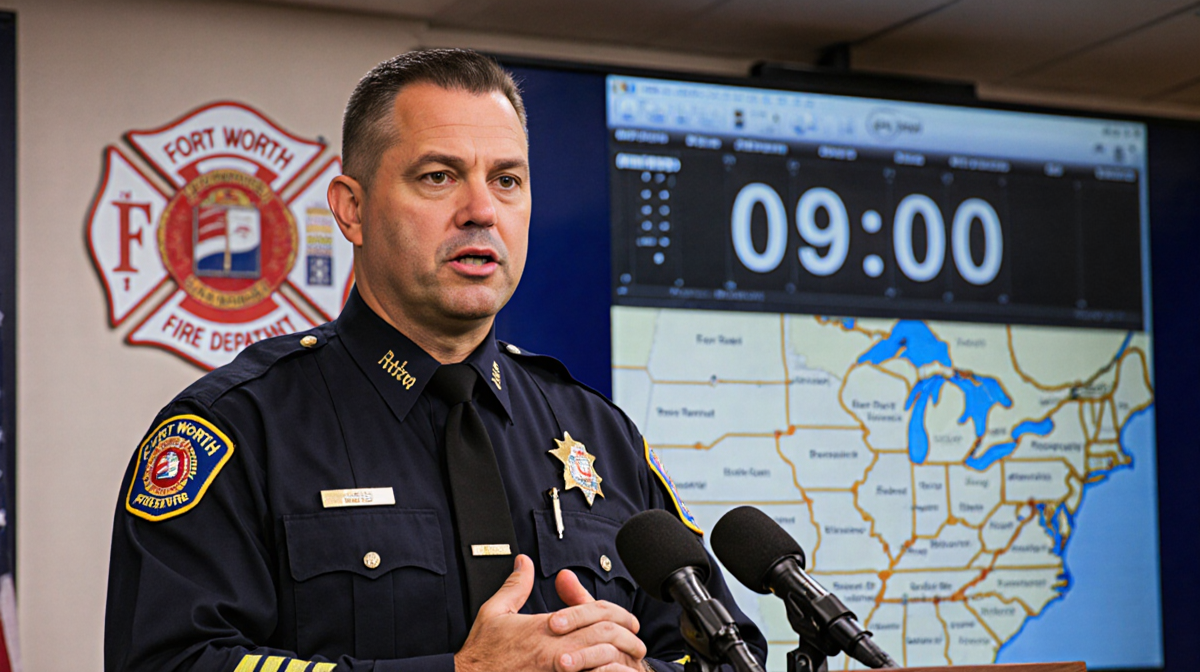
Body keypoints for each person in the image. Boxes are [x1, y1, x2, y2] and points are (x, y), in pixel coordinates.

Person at [105, 48, 766, 672]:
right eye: (438, 177)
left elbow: (726, 653)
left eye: (507, 180)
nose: (481, 211)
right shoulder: (238, 430)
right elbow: (171, 662)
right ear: (352, 210)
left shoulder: (600, 434)